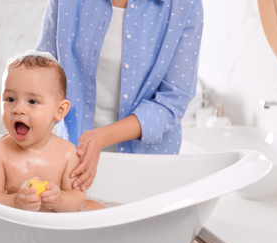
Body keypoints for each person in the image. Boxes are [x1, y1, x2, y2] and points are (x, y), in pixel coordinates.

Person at [36, 0, 204, 191]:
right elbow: (42, 74)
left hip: (147, 168)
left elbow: (173, 100)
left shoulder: (183, 5)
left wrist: (100, 138)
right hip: (72, 159)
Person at [0, 51, 104, 212]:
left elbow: (78, 199)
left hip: (55, 227)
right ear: (0, 100)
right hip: (17, 229)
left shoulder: (67, 154)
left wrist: (61, 200)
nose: (18, 109)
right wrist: (15, 201)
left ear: (60, 110)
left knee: (97, 208)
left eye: (32, 101)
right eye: (10, 99)